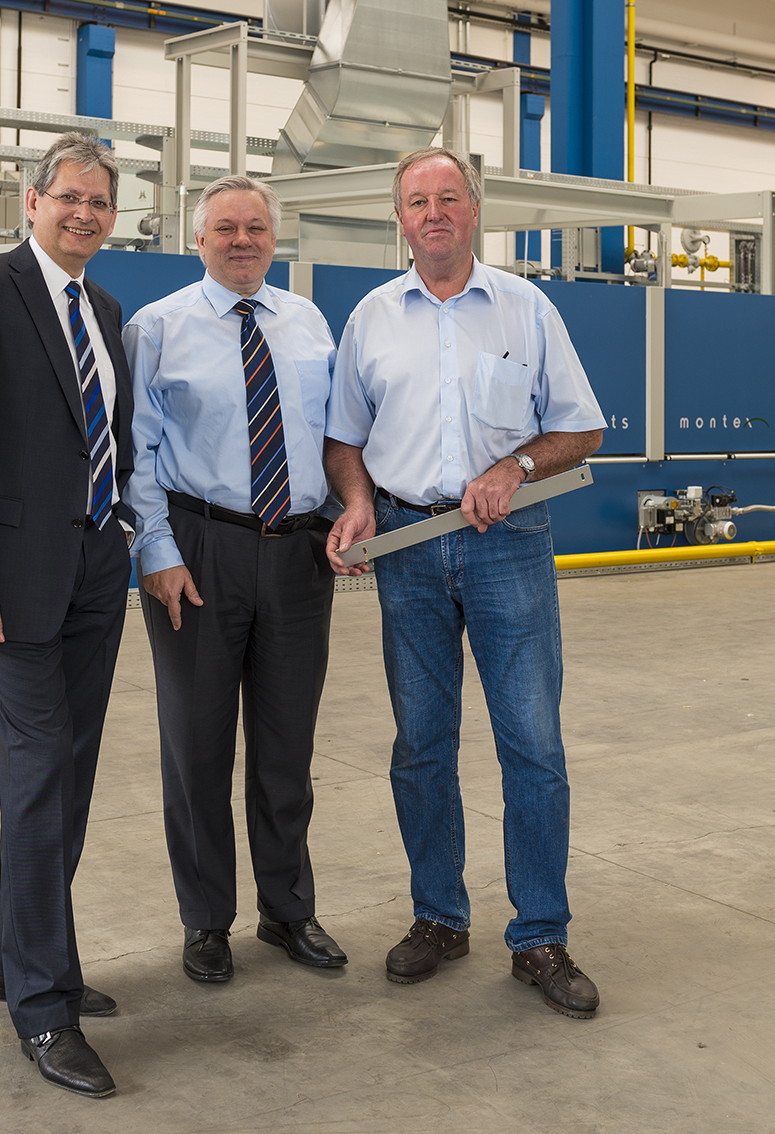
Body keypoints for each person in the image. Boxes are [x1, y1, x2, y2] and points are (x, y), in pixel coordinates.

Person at [324, 147, 606, 1019]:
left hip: (508, 541)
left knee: (532, 742)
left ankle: (541, 935)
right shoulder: (372, 317)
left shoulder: (527, 307)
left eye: (449, 198)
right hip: (407, 543)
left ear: (474, 211)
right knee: (421, 742)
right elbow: (343, 438)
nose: (434, 213)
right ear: (400, 220)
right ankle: (439, 917)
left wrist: (515, 465)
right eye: (417, 201)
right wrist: (360, 504)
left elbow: (580, 429)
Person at [0, 132, 134, 1097]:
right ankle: (43, 1009)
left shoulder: (106, 308)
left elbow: (110, 439)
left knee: (72, 774)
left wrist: (126, 536)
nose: (84, 213)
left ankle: (18, 954)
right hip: (11, 580)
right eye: (70, 197)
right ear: (33, 200)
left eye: (101, 202)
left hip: (96, 568)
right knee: (40, 772)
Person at [123, 174, 346, 984]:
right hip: (199, 552)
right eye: (225, 227)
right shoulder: (158, 328)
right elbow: (135, 455)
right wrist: (157, 552)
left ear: (274, 238)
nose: (242, 239)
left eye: (255, 226)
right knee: (198, 747)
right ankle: (205, 921)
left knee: (287, 747)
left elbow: (337, 438)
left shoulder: (310, 323)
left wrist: (343, 515)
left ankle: (289, 912)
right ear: (198, 238)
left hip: (296, 554)